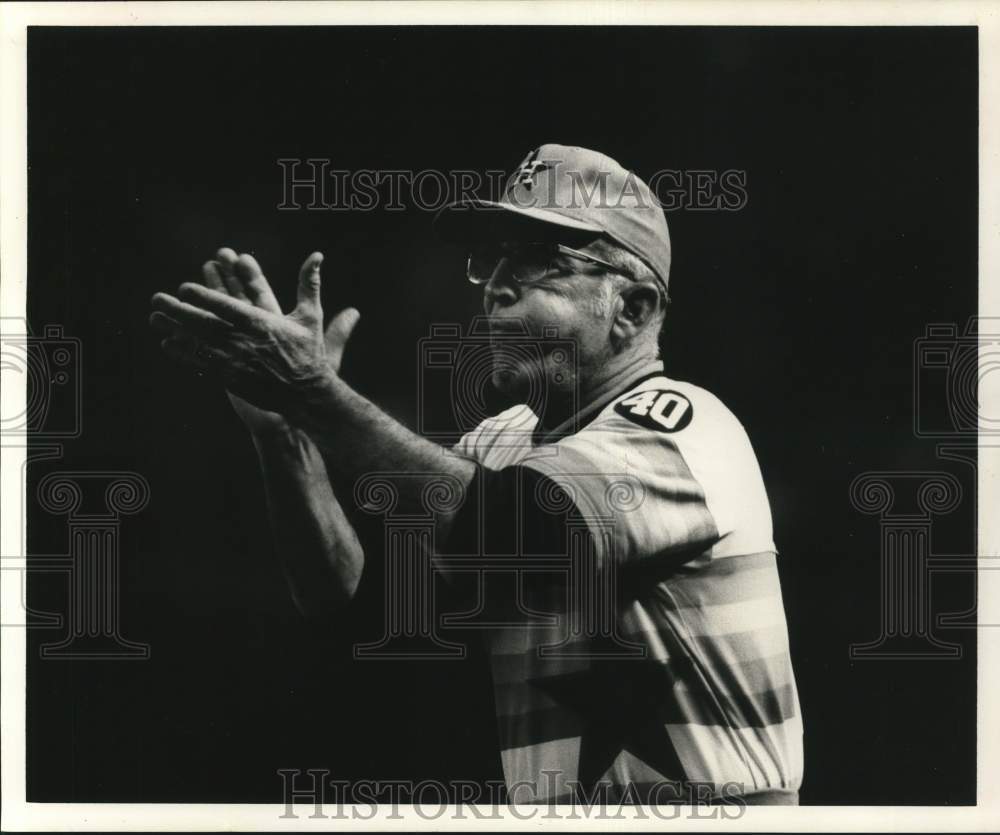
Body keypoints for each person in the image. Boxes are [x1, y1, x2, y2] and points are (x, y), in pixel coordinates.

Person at [149, 143, 804, 805]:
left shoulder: (686, 425)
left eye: (538, 261)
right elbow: (363, 611)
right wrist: (290, 440)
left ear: (630, 308)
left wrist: (313, 394)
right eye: (492, 260)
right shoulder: (498, 444)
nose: (496, 284)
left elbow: (521, 530)